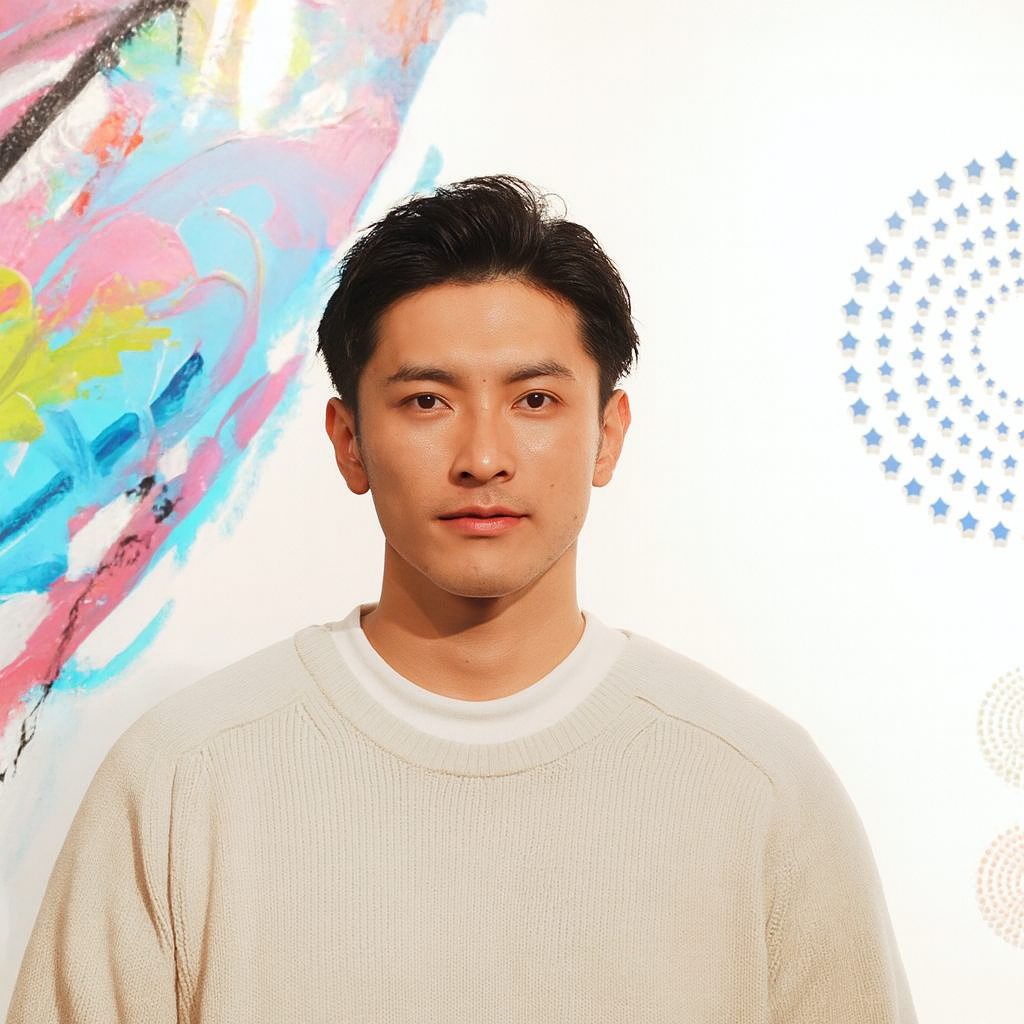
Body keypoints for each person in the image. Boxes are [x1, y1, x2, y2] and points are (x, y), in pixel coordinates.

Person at [7, 175, 916, 1022]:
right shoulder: (181, 779)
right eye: (427, 402)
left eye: (535, 400)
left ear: (608, 435)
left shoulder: (758, 787)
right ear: (349, 441)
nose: (484, 457)